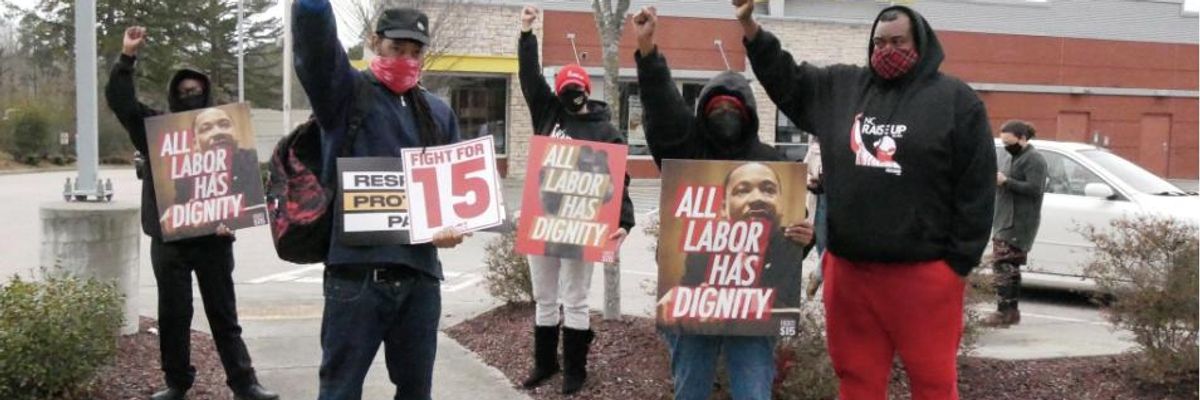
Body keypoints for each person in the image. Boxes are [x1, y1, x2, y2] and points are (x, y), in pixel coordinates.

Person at [733, 1, 997, 399]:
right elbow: (788, 81)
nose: (887, 50)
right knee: (856, 381)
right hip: (851, 274)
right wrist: (751, 27)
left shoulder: (956, 101)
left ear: (920, 42)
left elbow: (976, 187)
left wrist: (957, 263)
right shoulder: (842, 88)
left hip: (924, 278)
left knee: (934, 384)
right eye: (880, 42)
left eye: (898, 41)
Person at [632, 7, 813, 400]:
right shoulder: (687, 152)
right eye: (716, 108)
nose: (726, 114)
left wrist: (806, 236)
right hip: (692, 306)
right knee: (690, 390)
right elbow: (663, 109)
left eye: (735, 108)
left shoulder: (776, 163)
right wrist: (648, 52)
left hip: (758, 312)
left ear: (749, 115)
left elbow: (797, 237)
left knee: (753, 392)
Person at [293, 2, 468, 399]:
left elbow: (455, 196)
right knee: (340, 391)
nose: (406, 59)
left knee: (416, 391)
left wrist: (455, 226)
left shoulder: (438, 112)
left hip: (421, 280)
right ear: (374, 43)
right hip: (356, 279)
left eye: (415, 51)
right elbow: (316, 45)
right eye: (396, 48)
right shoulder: (345, 94)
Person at [105, 26, 278, 400]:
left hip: (214, 240)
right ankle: (176, 383)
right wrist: (127, 58)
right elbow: (121, 102)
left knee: (224, 316)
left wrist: (233, 220)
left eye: (196, 89)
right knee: (172, 317)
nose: (190, 94)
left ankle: (245, 383)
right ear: (172, 95)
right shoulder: (155, 132)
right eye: (183, 91)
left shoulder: (230, 136)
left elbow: (244, 191)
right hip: (169, 241)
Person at [517, 5, 636, 395]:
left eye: (576, 90)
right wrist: (527, 33)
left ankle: (575, 370)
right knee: (545, 297)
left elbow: (622, 180)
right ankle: (545, 363)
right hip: (544, 219)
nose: (571, 97)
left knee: (577, 298)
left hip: (582, 224)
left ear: (587, 91)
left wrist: (624, 222)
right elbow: (529, 77)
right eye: (564, 90)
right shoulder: (547, 111)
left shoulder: (606, 131)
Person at [165, 107, 264, 238]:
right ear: (195, 143)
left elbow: (263, 210)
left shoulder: (253, 161)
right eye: (206, 129)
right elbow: (180, 221)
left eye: (224, 125)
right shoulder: (186, 175)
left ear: (235, 132)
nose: (218, 132)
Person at [987, 120, 1047, 327]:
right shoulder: (1006, 155)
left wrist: (1006, 182)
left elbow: (1034, 189)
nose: (1006, 146)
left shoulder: (1034, 159)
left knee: (1003, 265)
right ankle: (1010, 312)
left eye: (1010, 142)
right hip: (1003, 217)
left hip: (1019, 221)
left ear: (1023, 138)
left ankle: (1003, 311)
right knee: (1008, 266)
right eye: (1003, 142)